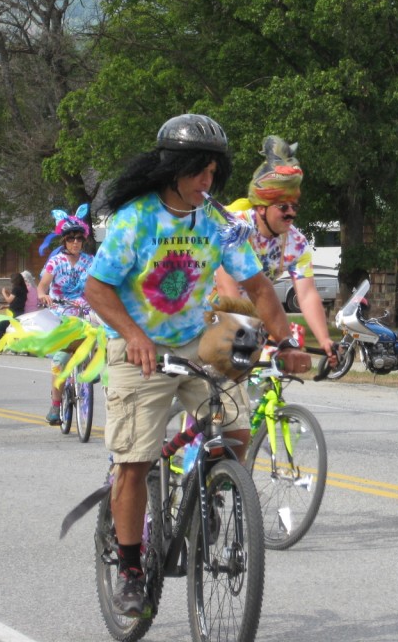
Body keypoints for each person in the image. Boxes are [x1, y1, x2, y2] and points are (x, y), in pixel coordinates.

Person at [85, 113, 311, 618]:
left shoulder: (215, 224)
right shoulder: (135, 220)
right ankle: (129, 568)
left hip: (193, 342)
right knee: (136, 461)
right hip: (135, 347)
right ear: (173, 168)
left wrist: (286, 340)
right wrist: (134, 335)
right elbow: (96, 289)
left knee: (235, 428)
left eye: (214, 173)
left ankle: (208, 489)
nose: (207, 183)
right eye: (198, 172)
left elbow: (257, 288)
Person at [214, 135, 337, 364]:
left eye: (295, 206)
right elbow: (226, 285)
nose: (291, 213)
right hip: (210, 316)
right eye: (283, 206)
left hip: (251, 321)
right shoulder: (236, 226)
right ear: (261, 208)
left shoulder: (297, 243)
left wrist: (324, 340)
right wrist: (241, 330)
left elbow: (307, 294)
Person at [37, 204, 95, 425]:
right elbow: (42, 286)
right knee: (61, 359)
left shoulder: (90, 262)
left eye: (79, 239)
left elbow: (98, 284)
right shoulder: (56, 262)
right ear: (64, 242)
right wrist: (44, 295)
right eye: (71, 239)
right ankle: (55, 404)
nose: (76, 243)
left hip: (84, 309)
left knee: (102, 335)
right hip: (61, 311)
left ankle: (90, 368)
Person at [0, 272, 29, 348]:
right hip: (20, 312)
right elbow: (17, 301)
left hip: (14, 313)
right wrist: (6, 306)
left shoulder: (16, 288)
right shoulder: (23, 289)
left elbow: (9, 300)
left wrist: (3, 293)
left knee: (1, 327)